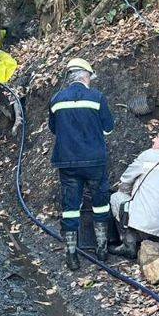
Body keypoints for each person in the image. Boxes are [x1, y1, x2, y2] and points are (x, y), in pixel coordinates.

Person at [48, 58, 115, 270]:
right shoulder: (97, 97)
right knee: (100, 202)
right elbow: (108, 129)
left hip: (67, 162)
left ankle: (71, 255)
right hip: (94, 161)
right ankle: (102, 249)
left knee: (70, 207)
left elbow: (54, 129)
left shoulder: (56, 99)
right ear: (85, 76)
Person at [108, 129, 159, 259]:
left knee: (116, 198)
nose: (153, 139)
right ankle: (148, 240)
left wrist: (128, 196)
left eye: (157, 136)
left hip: (144, 223)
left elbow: (126, 180)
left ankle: (129, 244)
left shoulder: (149, 155)